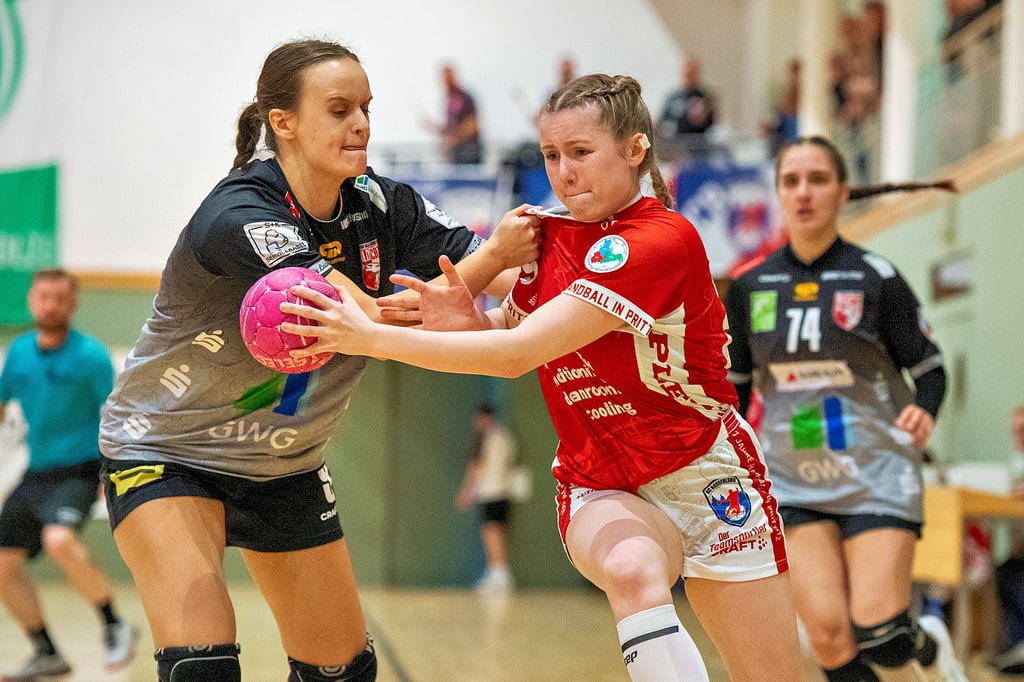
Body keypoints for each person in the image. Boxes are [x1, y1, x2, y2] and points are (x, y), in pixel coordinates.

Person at [286, 72, 803, 682]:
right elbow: (509, 327)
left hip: (704, 470)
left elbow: (519, 353)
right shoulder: (544, 236)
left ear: (635, 150)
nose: (564, 172)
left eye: (581, 153)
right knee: (633, 569)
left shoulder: (661, 240)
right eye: (552, 156)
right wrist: (470, 320)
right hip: (600, 480)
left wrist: (369, 337)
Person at [97, 38, 539, 682]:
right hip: (168, 450)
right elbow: (358, 319)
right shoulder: (240, 213)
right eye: (338, 109)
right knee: (203, 668)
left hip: (285, 462)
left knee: (343, 672)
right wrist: (492, 259)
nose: (360, 123)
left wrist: (559, 279)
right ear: (284, 122)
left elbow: (500, 284)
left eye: (366, 107)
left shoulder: (386, 205)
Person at [722, 135, 967, 682]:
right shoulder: (748, 286)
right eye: (791, 181)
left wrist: (925, 409)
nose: (804, 192)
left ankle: (928, 651)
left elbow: (929, 367)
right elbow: (735, 387)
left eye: (818, 179)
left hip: (877, 469)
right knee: (829, 638)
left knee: (879, 630)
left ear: (842, 192)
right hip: (793, 475)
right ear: (779, 193)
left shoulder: (875, 277)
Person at [0, 268, 138, 680]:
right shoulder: (20, 352)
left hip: (79, 471)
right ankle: (46, 653)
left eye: (60, 298)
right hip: (36, 472)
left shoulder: (91, 356)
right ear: (31, 301)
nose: (50, 305)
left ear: (73, 304)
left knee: (58, 539)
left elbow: (115, 415)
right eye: (43, 297)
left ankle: (114, 624)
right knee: (3, 564)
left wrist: (108, 472)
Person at [455, 401, 518, 593]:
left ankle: (500, 575)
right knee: (493, 533)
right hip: (502, 492)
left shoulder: (489, 438)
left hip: (491, 493)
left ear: (484, 417)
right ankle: (495, 574)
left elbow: (477, 468)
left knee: (492, 534)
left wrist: (466, 492)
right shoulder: (505, 436)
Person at [988, 405, 1024, 675]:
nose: (1018, 435)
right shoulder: (1016, 463)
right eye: (1015, 430)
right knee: (1007, 570)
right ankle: (1017, 648)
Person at [657, 56, 717, 158]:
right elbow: (662, 120)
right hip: (677, 148)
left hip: (700, 149)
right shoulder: (673, 97)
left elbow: (712, 122)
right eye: (686, 74)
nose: (689, 77)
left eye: (692, 73)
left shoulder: (705, 97)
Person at [434, 63, 482, 164]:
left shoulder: (464, 97)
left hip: (468, 152)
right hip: (455, 154)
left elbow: (474, 125)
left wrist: (455, 138)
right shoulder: (449, 100)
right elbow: (450, 128)